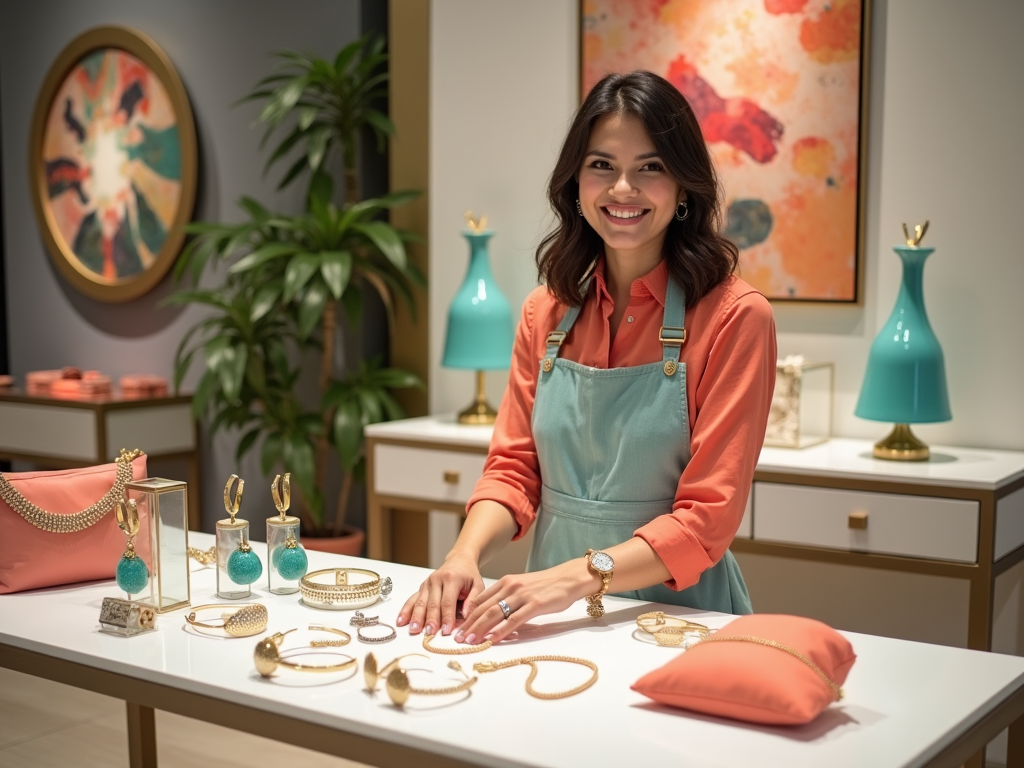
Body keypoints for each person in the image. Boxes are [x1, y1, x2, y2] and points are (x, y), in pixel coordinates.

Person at [397, 70, 777, 645]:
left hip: (675, 621)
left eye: (650, 167)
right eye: (602, 165)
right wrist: (463, 556)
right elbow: (513, 471)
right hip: (547, 618)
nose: (623, 188)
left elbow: (706, 523)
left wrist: (575, 579)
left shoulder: (735, 317)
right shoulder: (543, 312)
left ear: (683, 188)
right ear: (575, 182)